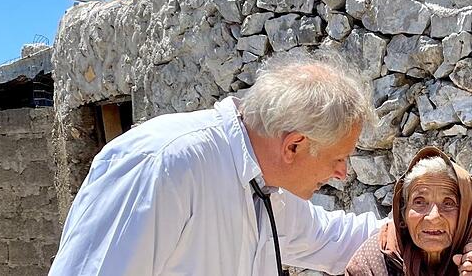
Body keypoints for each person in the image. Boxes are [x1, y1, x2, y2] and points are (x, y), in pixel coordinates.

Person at [50, 50, 387, 276]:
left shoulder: (269, 188)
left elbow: (333, 238)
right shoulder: (163, 165)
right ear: (294, 145)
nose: (342, 174)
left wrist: (423, 222)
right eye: (338, 158)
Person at [345, 147, 472, 276]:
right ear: (402, 215)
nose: (433, 217)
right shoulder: (373, 263)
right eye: (419, 202)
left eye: (448, 203)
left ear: (467, 214)